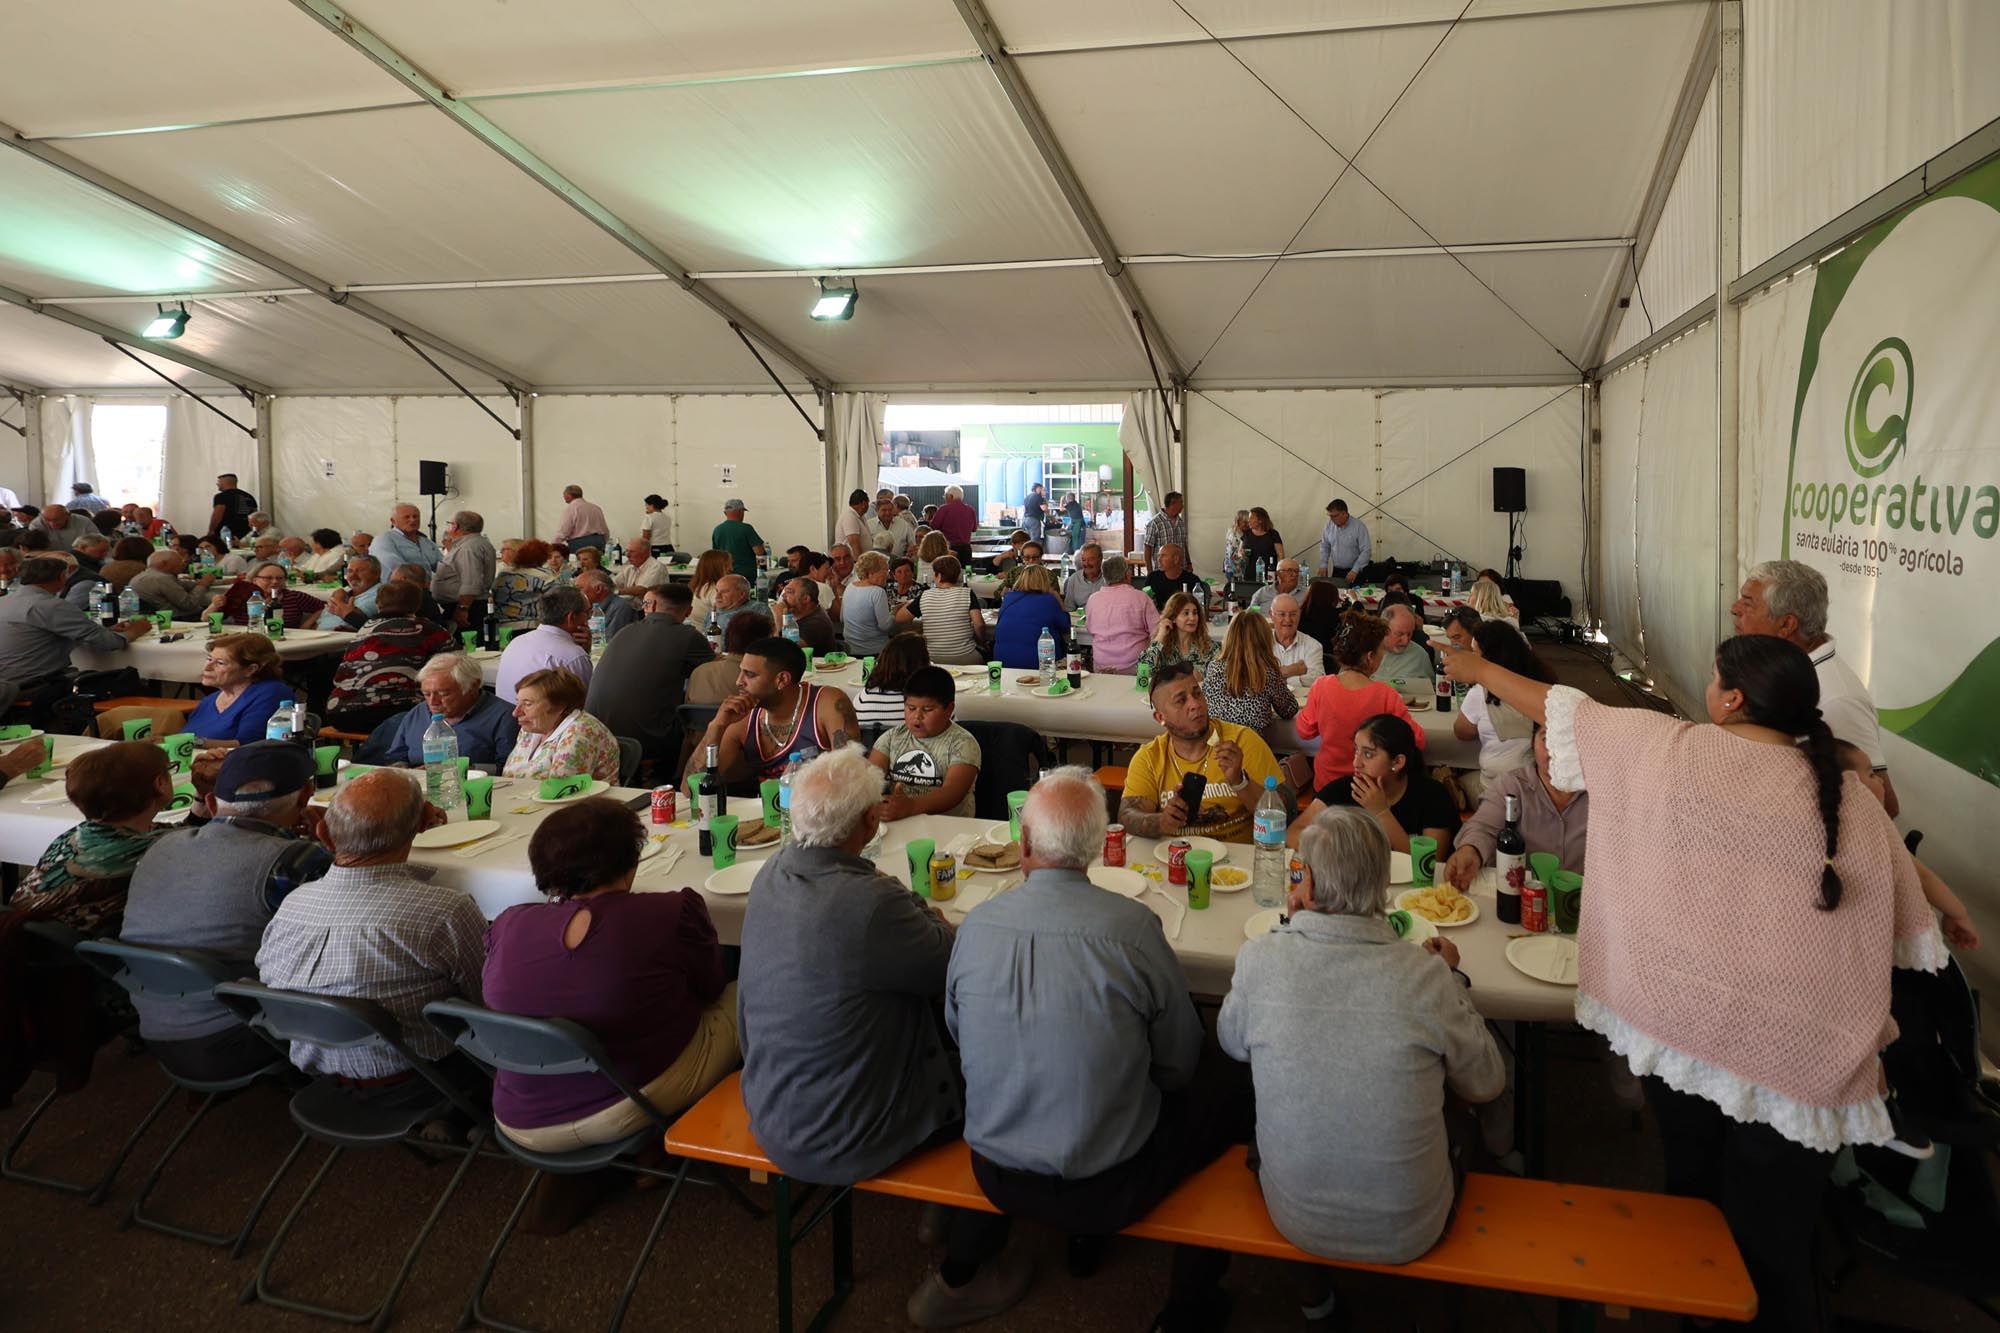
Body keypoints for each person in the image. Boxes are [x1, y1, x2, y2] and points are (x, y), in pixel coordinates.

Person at [1441, 633, 1943, 1328]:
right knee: (1773, 1245)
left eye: (1713, 676)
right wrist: (1941, 898)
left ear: (1732, 697)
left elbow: (1564, 706)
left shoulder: (1674, 749)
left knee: (1692, 1207)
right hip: (1798, 1058)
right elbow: (1892, 861)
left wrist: (1479, 669)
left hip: (1687, 1029)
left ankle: (1697, 1311)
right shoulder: (1841, 792)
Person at [734, 749, 1024, 1319]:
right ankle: (962, 1274)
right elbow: (951, 964)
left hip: (771, 1105)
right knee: (1015, 1079)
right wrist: (927, 914)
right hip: (847, 1131)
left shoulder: (773, 873)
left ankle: (939, 1208)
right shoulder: (869, 903)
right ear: (871, 822)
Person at [947, 768, 1238, 1331]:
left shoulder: (975, 927)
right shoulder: (1133, 928)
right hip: (1115, 1182)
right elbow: (1179, 1064)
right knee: (1228, 1073)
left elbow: (961, 1038)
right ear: (1098, 849)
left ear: (1024, 846)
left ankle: (1008, 1249)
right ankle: (1190, 1306)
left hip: (995, 1170)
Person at [1222, 805, 1502, 1265]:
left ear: (1306, 885)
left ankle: (1315, 1299)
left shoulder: (1262, 957)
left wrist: (1288, 927)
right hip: (1410, 1230)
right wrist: (1453, 979)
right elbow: (1487, 1082)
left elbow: (1232, 1043)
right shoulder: (1426, 977)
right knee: (1462, 1118)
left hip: (1293, 1217)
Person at [483, 797, 734, 1151]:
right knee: (749, 989)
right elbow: (711, 988)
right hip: (625, 1102)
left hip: (517, 1115)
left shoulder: (507, 923)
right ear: (631, 863)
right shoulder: (670, 911)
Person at [256, 770, 489, 1082]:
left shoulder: (292, 905)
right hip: (424, 1076)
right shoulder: (446, 911)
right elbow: (487, 1005)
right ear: (423, 825)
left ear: (323, 835)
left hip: (315, 1075)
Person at [121, 742, 333, 1082]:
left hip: (155, 1028)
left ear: (210, 802)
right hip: (239, 1035)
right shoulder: (294, 860)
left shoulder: (162, 845)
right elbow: (346, 926)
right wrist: (330, 845)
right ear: (306, 796)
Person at [1731, 559, 1898, 818]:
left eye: (1748, 603)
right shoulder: (1781, 672)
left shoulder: (1838, 699)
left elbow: (1884, 807)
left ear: (1787, 625)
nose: (1734, 608)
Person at [11, 742, 174, 937]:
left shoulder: (78, 834)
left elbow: (176, 833)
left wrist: (200, 801)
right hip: (85, 958)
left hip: (25, 945)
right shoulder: (153, 849)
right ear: (160, 784)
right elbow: (203, 842)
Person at [1119, 664, 1288, 843]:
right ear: (1161, 718)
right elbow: (1127, 816)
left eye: (1197, 693)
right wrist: (1161, 821)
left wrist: (1240, 782)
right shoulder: (1149, 757)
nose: (1195, 704)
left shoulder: (1242, 741)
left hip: (1235, 863)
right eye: (1181, 700)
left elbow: (1282, 811)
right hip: (1174, 859)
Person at [1834, 741, 1977, 951]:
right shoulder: (1874, 837)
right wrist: (1958, 913)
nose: (1881, 782)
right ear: (1849, 786)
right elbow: (1922, 876)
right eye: (1872, 774)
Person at [0, 556, 150, 723]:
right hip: (34, 685)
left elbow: (37, 635)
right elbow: (109, 643)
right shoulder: (51, 605)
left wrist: (104, 631)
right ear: (62, 577)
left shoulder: (5, 601)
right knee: (128, 683)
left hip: (6, 685)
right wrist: (135, 631)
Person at [697, 635, 860, 784]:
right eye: (741, 672)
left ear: (782, 679)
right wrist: (716, 726)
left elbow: (850, 777)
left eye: (750, 674)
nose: (739, 682)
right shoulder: (742, 716)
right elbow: (691, 789)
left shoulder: (828, 703)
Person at [1289, 713, 1457, 855]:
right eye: (1356, 750)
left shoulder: (1432, 796)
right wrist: (1336, 850)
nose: (1356, 763)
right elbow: (1292, 834)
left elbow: (1431, 862)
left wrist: (1381, 812)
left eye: (1368, 754)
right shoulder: (1344, 790)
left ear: (1398, 762)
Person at [1445, 724, 1590, 888]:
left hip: (1585, 904)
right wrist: (1471, 850)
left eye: (1569, 742)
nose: (1556, 753)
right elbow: (1483, 827)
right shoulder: (1513, 786)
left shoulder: (1604, 794)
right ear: (1532, 743)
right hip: (1521, 900)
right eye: (1547, 739)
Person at [586, 582, 714, 763]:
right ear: (688, 611)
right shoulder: (688, 636)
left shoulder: (626, 630)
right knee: (695, 723)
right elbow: (716, 669)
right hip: (645, 739)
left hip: (596, 732)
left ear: (652, 606)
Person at [1296, 611, 1422, 789]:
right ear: (1370, 657)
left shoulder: (1321, 686)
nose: (1383, 656)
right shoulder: (1385, 695)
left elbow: (1304, 730)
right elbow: (1416, 739)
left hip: (1327, 786)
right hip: (1371, 789)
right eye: (1382, 651)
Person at [324, 582, 452, 736]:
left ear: (378, 604)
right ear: (417, 605)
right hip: (392, 710)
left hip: (340, 713)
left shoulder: (366, 628)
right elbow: (456, 660)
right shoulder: (426, 628)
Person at [868, 666, 980, 820]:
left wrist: (911, 806)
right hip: (901, 821)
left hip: (949, 827)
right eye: (911, 708)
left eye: (927, 709)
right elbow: (868, 780)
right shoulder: (892, 737)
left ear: (949, 709)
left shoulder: (962, 743)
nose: (917, 716)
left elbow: (953, 792)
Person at [1453, 619, 1551, 791]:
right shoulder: (1543, 685)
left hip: (1497, 789)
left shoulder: (1480, 692)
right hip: (1544, 786)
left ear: (1489, 658)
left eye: (1475, 653)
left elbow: (1462, 731)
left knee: (1455, 779)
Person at [383, 654, 521, 767]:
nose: (432, 702)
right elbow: (395, 756)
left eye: (443, 694)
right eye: (426, 694)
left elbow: (508, 768)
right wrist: (402, 769)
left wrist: (461, 770)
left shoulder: (505, 716)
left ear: (473, 686)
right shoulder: (418, 712)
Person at [505, 668, 621, 783]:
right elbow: (508, 776)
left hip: (583, 801)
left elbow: (561, 789)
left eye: (527, 704)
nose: (516, 712)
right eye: (517, 702)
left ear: (559, 706)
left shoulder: (581, 732)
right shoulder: (531, 727)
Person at [186, 633, 295, 745]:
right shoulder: (209, 701)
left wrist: (190, 743)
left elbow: (248, 744)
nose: (207, 667)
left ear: (250, 669)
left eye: (220, 663)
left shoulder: (271, 693)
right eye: (209, 659)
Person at [1203, 609, 1299, 731]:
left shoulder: (1214, 668)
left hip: (1215, 745)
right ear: (1264, 639)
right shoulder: (1267, 673)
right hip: (1250, 747)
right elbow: (1289, 710)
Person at [496, 586, 593, 699]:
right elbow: (586, 704)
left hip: (506, 714)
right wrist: (583, 653)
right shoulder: (573, 657)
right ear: (571, 618)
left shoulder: (516, 642)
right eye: (588, 613)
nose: (588, 620)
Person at [1082, 554, 1158, 674]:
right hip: (1136, 668)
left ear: (1104, 577)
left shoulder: (1093, 600)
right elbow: (1157, 632)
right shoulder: (1141, 598)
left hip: (1102, 668)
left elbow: (1090, 629)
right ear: (1127, 574)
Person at [992, 565, 1068, 670]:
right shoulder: (1048, 600)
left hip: (1003, 662)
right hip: (1040, 663)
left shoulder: (1008, 598)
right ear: (1044, 580)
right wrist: (1057, 597)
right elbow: (1066, 626)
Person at [912, 556, 984, 666]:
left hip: (932, 658)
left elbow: (900, 617)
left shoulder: (925, 595)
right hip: (965, 656)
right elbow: (979, 624)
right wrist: (981, 641)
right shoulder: (967, 593)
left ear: (939, 576)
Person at [852, 631, 928, 732]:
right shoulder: (931, 701)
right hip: (919, 747)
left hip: (872, 746)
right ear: (922, 665)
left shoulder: (864, 697)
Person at [433, 511, 497, 628]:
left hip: (467, 607)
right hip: (471, 604)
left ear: (455, 526)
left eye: (449, 523)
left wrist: (462, 609)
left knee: (467, 643)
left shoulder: (467, 548)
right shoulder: (478, 543)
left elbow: (471, 582)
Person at [841, 551, 909, 657]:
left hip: (850, 650)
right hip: (875, 651)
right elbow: (885, 626)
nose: (888, 574)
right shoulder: (877, 592)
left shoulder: (850, 587)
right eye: (885, 570)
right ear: (872, 572)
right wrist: (895, 612)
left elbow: (842, 618)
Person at [1138, 591, 1216, 677]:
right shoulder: (1163, 647)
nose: (1192, 618)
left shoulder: (1209, 647)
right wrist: (1160, 636)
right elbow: (1143, 672)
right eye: (1186, 613)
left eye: (1195, 613)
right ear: (1173, 617)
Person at [490, 538, 557, 632]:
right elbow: (557, 601)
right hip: (529, 626)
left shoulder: (503, 573)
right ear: (542, 557)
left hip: (500, 626)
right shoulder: (545, 575)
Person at [313, 554, 383, 631]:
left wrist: (338, 601)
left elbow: (360, 621)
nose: (353, 575)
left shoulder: (380, 594)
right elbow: (322, 618)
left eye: (360, 570)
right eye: (350, 571)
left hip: (340, 640)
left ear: (376, 574)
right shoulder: (345, 591)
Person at [373, 503, 441, 582]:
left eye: (415, 516)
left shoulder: (426, 541)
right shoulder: (384, 539)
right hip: (397, 590)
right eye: (407, 517)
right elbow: (397, 567)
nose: (413, 520)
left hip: (424, 589)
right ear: (393, 521)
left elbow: (442, 565)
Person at [1373, 603, 1435, 687]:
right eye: (1399, 634)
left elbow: (1431, 690)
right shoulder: (1365, 652)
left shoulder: (1420, 656)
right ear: (1383, 630)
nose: (1406, 641)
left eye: (1409, 634)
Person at [1268, 593, 1324, 683]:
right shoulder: (1260, 642)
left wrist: (1279, 678)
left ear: (1299, 615)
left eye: (1293, 614)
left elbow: (1318, 679)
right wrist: (1289, 671)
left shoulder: (1313, 645)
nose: (1288, 619)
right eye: (1282, 614)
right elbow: (1253, 676)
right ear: (1271, 615)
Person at [1315, 497, 1370, 585]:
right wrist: (1323, 564)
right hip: (1337, 571)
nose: (1331, 519)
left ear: (1344, 513)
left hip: (1355, 572)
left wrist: (1355, 570)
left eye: (1334, 516)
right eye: (1330, 516)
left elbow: (1366, 551)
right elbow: (1325, 546)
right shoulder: (1329, 526)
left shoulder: (1359, 526)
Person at [576, 570, 638, 643]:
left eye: (580, 589)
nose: (577, 593)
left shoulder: (621, 607)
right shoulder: (588, 608)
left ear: (598, 589)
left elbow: (612, 642)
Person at [710, 498, 765, 578]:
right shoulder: (746, 528)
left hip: (725, 574)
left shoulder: (717, 529)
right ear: (740, 511)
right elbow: (759, 552)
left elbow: (715, 555)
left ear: (725, 513)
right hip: (746, 575)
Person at [777, 575, 834, 652]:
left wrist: (778, 617)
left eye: (789, 592)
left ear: (806, 599)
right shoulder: (794, 617)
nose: (783, 596)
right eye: (784, 591)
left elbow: (788, 651)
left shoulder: (817, 623)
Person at [1141, 543, 1204, 611]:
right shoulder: (1153, 578)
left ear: (1176, 559)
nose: (1159, 560)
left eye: (1163, 556)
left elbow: (1199, 608)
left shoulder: (1192, 580)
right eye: (1159, 556)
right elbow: (1143, 603)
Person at [551, 484, 610, 554]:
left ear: (568, 495)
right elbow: (604, 529)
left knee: (579, 564)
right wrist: (603, 541)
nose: (563, 497)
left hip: (580, 545)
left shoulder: (571, 509)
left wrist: (552, 546)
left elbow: (563, 532)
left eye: (564, 494)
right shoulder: (596, 508)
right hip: (599, 542)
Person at [709, 574, 768, 639]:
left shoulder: (757, 610)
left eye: (724, 591)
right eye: (717, 591)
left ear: (742, 594)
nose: (717, 596)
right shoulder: (713, 612)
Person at [1142, 491, 1189, 572]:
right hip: (1162, 572)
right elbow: (1147, 549)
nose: (1183, 505)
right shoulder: (1155, 523)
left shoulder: (1181, 522)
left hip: (1181, 570)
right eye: (1181, 502)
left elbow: (1184, 545)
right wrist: (1150, 572)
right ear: (1173, 504)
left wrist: (1189, 563)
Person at [685, 548, 732, 629]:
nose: (731, 568)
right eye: (728, 565)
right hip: (709, 634)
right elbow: (725, 616)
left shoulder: (696, 586)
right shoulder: (714, 590)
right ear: (718, 568)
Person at [933, 484, 978, 563]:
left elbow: (934, 527)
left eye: (945, 496)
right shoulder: (970, 510)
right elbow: (974, 529)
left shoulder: (944, 509)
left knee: (948, 572)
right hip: (966, 549)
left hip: (948, 549)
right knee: (966, 573)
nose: (945, 498)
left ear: (950, 496)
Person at [207, 474, 258, 542]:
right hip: (246, 534)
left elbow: (217, 514)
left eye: (219, 482)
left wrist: (211, 530)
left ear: (224, 482)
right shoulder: (249, 496)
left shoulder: (221, 496)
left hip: (226, 534)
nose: (217, 484)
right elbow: (255, 515)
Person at [31, 503, 98, 552]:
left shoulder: (84, 522)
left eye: (56, 520)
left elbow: (97, 541)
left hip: (81, 558)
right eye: (47, 520)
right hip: (49, 558)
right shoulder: (37, 524)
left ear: (68, 515)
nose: (52, 524)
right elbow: (35, 547)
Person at [1240, 506, 1285, 576]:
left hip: (1269, 574)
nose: (1248, 520)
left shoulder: (1273, 534)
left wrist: (1278, 571)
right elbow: (1240, 551)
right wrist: (1241, 554)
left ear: (1260, 520)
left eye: (1251, 518)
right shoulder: (1246, 534)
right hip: (1249, 574)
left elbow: (1280, 555)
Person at [1061, 543, 1105, 611]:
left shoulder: (1109, 579)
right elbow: (1069, 608)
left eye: (1090, 559)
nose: (1086, 563)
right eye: (1083, 560)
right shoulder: (1074, 579)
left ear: (1100, 559)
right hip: (1080, 619)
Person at [833, 489, 871, 560]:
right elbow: (854, 544)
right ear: (863, 503)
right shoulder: (850, 516)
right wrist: (859, 564)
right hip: (851, 562)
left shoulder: (860, 516)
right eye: (868, 502)